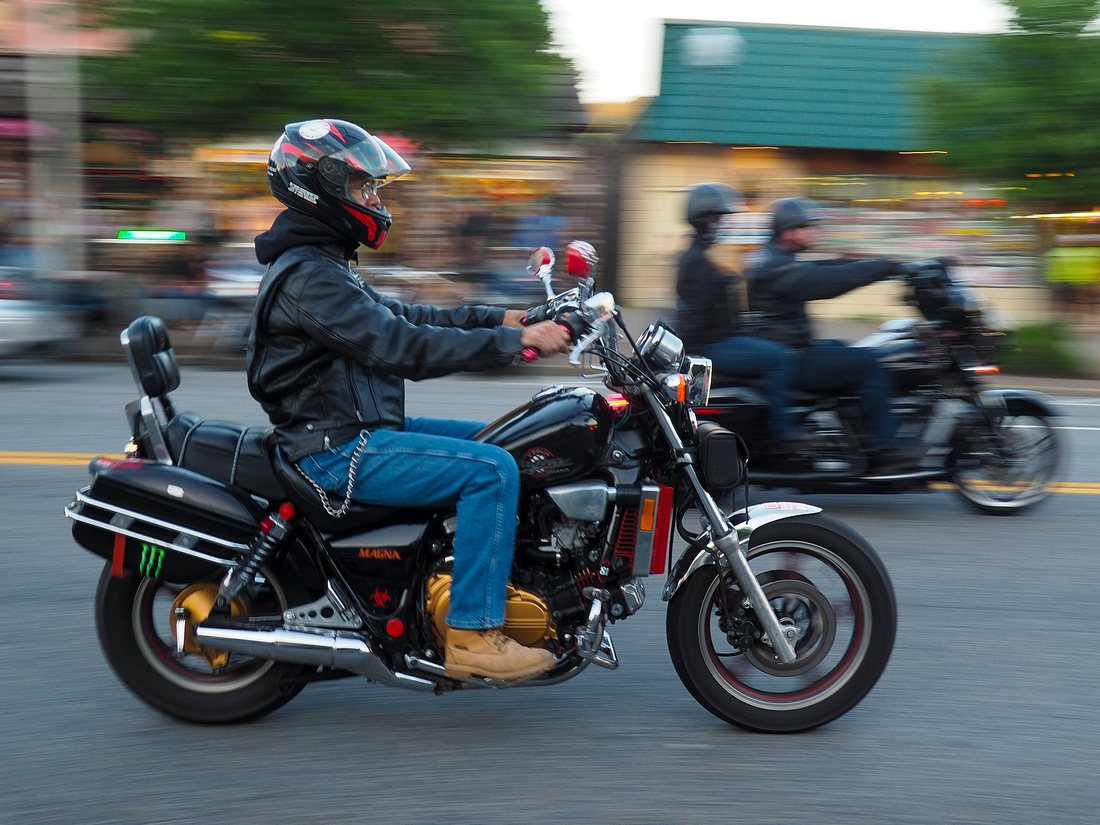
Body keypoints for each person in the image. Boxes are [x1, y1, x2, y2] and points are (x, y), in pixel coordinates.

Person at [247, 118, 571, 681]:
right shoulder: (309, 277)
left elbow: (407, 316)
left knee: (508, 443)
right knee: (491, 471)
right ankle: (472, 632)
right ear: (319, 189)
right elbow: (402, 345)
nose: (375, 200)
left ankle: (498, 580)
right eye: (363, 188)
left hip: (360, 424)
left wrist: (504, 318)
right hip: (336, 449)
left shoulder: (323, 263)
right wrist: (513, 343)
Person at [745, 197, 922, 473]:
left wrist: (885, 266)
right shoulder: (775, 267)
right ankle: (886, 447)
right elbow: (824, 281)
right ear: (788, 231)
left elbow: (824, 267)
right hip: (789, 356)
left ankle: (852, 435)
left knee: (844, 347)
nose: (815, 231)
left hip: (788, 346)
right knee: (868, 363)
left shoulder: (773, 257)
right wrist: (885, 267)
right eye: (808, 226)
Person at [675, 183, 802, 452]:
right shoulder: (697, 260)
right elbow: (700, 315)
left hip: (715, 340)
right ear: (703, 219)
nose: (721, 225)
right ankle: (783, 434)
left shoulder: (698, 255)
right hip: (710, 346)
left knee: (768, 349)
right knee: (779, 357)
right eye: (717, 219)